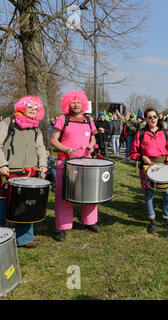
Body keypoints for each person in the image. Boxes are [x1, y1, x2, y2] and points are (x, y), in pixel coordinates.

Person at [50, 90, 99, 242]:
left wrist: (91, 145)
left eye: (78, 101)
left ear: (83, 104)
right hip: (65, 163)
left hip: (86, 162)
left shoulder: (89, 120)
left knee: (89, 193)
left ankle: (90, 221)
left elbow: (93, 137)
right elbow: (53, 140)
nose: (76, 104)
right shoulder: (62, 119)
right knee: (64, 195)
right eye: (73, 102)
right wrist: (65, 149)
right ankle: (62, 227)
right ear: (68, 104)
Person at [0, 95, 48, 248]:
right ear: (22, 106)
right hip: (8, 173)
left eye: (36, 108)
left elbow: (40, 148)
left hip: (29, 174)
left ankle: (25, 239)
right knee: (2, 206)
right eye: (30, 106)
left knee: (27, 207)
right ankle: (2, 237)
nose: (33, 110)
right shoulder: (8, 123)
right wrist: (2, 164)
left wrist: (43, 165)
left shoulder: (36, 128)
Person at [129, 107, 168, 234]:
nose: (153, 119)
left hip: (164, 167)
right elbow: (133, 153)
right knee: (149, 195)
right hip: (147, 167)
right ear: (146, 119)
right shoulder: (141, 133)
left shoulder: (165, 132)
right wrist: (141, 157)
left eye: (155, 116)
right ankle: (153, 221)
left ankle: (166, 220)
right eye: (150, 117)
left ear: (158, 117)